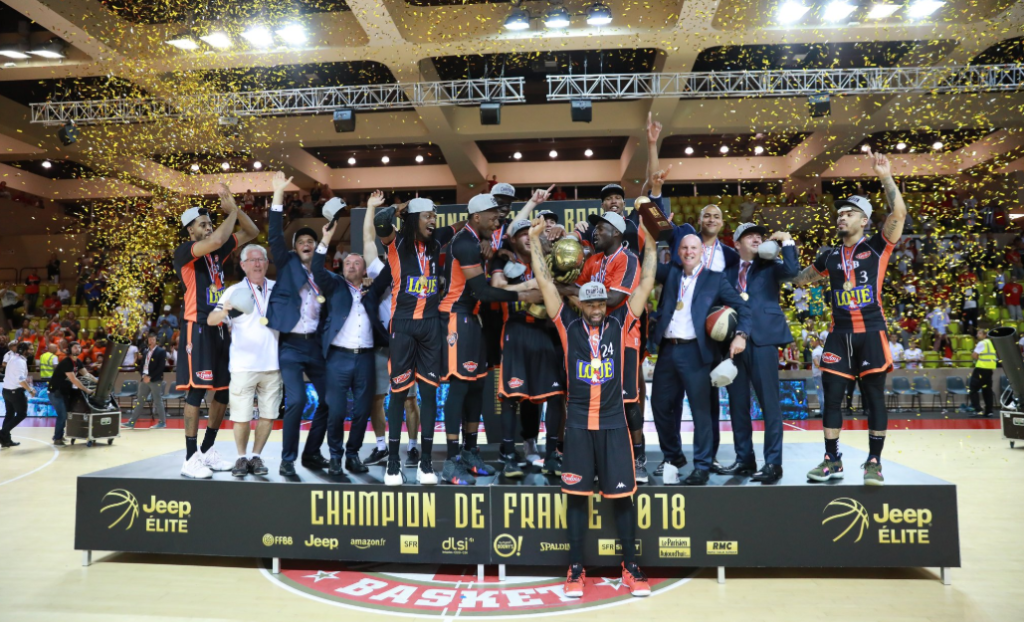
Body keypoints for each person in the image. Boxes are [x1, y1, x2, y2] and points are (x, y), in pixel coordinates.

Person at [528, 216, 656, 598]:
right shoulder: (568, 326)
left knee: (622, 500)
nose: (597, 306)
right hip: (579, 426)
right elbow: (546, 283)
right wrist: (534, 242)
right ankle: (575, 569)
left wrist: (650, 243)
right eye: (591, 301)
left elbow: (646, 282)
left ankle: (631, 568)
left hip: (615, 425)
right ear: (581, 303)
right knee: (576, 500)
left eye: (601, 301)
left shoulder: (622, 324)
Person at [792, 148, 906, 486]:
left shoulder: (878, 247)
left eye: (850, 213)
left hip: (871, 331)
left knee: (874, 399)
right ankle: (832, 459)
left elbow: (898, 212)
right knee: (831, 399)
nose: (842, 217)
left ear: (864, 221)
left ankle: (874, 462)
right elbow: (800, 280)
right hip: (839, 335)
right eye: (840, 213)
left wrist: (885, 175)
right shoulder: (828, 256)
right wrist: (782, 252)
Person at [438, 193, 543, 486]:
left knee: (476, 387)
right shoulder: (464, 242)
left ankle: (470, 452)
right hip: (456, 317)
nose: (498, 220)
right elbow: (482, 292)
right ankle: (451, 462)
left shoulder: (478, 241)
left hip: (473, 318)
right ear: (476, 217)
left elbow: (505, 238)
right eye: (493, 216)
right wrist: (523, 294)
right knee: (459, 388)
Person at [650, 233, 751, 485]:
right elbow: (648, 265)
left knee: (701, 412)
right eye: (684, 248)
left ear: (702, 252)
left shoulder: (715, 279)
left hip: (697, 352)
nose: (689, 252)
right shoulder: (672, 273)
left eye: (693, 248)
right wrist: (648, 233)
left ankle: (702, 465)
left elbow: (743, 307)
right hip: (668, 349)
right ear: (678, 252)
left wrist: (741, 335)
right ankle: (674, 455)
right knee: (659, 405)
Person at [174, 182, 259, 479]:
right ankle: (190, 458)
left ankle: (207, 450)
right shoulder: (186, 251)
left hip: (220, 326)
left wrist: (236, 209)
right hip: (196, 326)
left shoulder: (216, 252)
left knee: (223, 391)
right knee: (197, 391)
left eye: (210, 222)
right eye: (202, 224)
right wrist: (231, 211)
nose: (209, 227)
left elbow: (252, 232)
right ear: (190, 230)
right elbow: (219, 238)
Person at [372, 196, 445, 485]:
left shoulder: (435, 243)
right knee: (399, 393)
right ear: (414, 219)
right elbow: (381, 221)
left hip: (430, 326)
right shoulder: (396, 242)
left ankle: (426, 463)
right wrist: (398, 209)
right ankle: (393, 463)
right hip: (402, 325)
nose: (433, 221)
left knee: (429, 395)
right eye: (427, 216)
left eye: (434, 216)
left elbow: (467, 226)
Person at [721, 223, 798, 483]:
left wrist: (787, 241)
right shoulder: (727, 270)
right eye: (749, 236)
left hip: (764, 340)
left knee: (770, 404)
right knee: (737, 405)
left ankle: (773, 463)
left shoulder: (771, 265)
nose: (756, 238)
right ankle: (744, 459)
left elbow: (792, 271)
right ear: (736, 244)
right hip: (733, 342)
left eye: (759, 235)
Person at [266, 172, 331, 477]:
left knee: (330, 400)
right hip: (291, 346)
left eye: (310, 241)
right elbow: (274, 235)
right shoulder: (287, 262)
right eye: (301, 241)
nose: (306, 243)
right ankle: (287, 459)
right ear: (295, 248)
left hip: (316, 346)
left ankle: (312, 453)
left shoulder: (324, 273)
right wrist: (279, 193)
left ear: (317, 247)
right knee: (296, 401)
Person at [491, 219, 566, 477]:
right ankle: (508, 454)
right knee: (512, 395)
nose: (526, 237)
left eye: (529, 233)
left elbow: (553, 289)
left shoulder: (546, 259)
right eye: (521, 234)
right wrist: (528, 288)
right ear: (512, 239)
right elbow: (496, 288)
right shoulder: (503, 260)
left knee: (554, 394)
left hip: (544, 329)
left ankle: (552, 455)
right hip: (515, 328)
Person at [312, 216, 379, 477]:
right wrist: (326, 238)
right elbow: (317, 269)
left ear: (365, 270)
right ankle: (335, 456)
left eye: (357, 263)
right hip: (338, 358)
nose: (351, 266)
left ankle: (353, 455)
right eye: (347, 263)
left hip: (365, 358)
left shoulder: (372, 288)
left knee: (362, 411)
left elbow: (388, 277)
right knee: (336, 411)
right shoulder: (334, 285)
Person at [208, 245, 280, 478]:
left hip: (273, 364)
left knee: (268, 414)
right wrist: (224, 312)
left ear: (267, 263)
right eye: (252, 260)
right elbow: (211, 319)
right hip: (243, 365)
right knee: (241, 416)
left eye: (261, 259)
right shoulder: (234, 291)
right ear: (243, 265)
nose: (257, 264)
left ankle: (256, 455)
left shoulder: (278, 288)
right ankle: (241, 456)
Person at [362, 192, 421, 469]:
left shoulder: (414, 270)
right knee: (377, 398)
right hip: (381, 344)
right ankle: (381, 447)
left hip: (405, 342)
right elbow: (367, 240)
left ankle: (412, 447)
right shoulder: (378, 270)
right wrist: (371, 207)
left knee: (409, 399)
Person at [50, 342, 96, 444]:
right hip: (55, 392)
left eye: (79, 347)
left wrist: (98, 381)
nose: (78, 349)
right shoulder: (66, 362)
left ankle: (59, 435)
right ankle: (57, 438)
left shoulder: (78, 362)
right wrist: (86, 390)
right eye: (75, 347)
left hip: (64, 392)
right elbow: (74, 379)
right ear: (70, 349)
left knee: (65, 414)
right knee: (62, 415)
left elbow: (87, 374)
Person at [124, 333, 167, 429]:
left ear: (156, 340)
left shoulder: (161, 351)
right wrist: (143, 375)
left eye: (153, 339)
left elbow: (161, 367)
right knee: (140, 400)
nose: (151, 341)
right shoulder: (145, 351)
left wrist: (150, 376)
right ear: (147, 340)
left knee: (157, 400)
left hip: (155, 379)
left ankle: (162, 422)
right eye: (150, 339)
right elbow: (142, 365)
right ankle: (132, 422)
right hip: (144, 379)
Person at [1, 342, 34, 448]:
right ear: (23, 350)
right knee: (22, 414)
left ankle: (6, 440)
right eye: (30, 349)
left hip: (6, 390)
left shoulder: (13, 358)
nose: (32, 351)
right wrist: (30, 390)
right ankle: (2, 433)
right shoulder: (20, 362)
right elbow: (20, 380)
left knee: (9, 414)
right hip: (15, 392)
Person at [968, 328, 996, 418]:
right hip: (989, 369)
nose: (977, 335)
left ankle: (978, 410)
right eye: (977, 333)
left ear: (985, 335)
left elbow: (974, 355)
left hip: (981, 368)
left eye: (979, 333)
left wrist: (978, 359)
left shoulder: (982, 343)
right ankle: (989, 411)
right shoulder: (991, 343)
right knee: (987, 390)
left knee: (973, 389)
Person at [810, 336, 825, 417]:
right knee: (824, 393)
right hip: (824, 374)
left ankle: (823, 411)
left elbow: (816, 363)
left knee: (820, 393)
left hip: (818, 375)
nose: (811, 343)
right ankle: (826, 411)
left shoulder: (815, 351)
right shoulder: (823, 350)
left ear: (817, 341)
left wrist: (820, 368)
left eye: (812, 341)